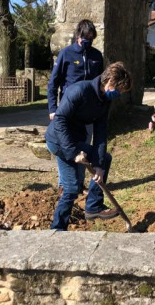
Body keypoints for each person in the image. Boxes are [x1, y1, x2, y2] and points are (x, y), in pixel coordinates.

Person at [45, 62, 131, 231]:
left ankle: (93, 206)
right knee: (71, 187)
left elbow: (100, 132)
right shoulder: (79, 91)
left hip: (76, 140)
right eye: (119, 91)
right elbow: (60, 120)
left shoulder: (104, 100)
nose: (119, 95)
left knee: (104, 159)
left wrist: (98, 166)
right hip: (58, 140)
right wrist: (73, 152)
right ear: (110, 82)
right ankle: (57, 228)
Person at [48, 19, 104, 192]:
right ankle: (64, 186)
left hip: (86, 112)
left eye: (91, 39)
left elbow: (101, 82)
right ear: (79, 36)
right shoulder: (66, 54)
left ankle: (79, 184)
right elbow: (53, 83)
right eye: (86, 38)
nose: (88, 42)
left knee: (83, 149)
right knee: (67, 146)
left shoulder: (96, 56)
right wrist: (52, 109)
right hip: (68, 110)